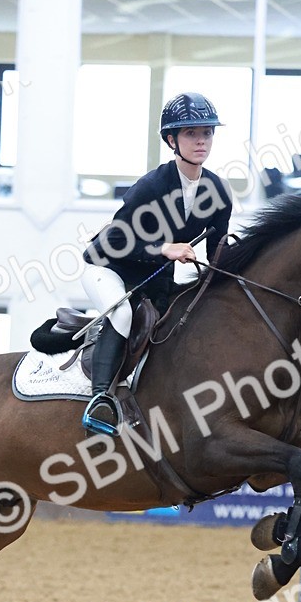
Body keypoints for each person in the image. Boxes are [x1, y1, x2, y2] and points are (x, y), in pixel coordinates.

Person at [79, 92, 232, 434]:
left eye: (207, 133)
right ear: (171, 140)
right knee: (122, 314)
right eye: (191, 133)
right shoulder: (151, 186)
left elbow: (217, 252)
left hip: (154, 281)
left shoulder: (217, 191)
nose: (201, 141)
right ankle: (100, 401)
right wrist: (165, 249)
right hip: (109, 270)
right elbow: (113, 241)